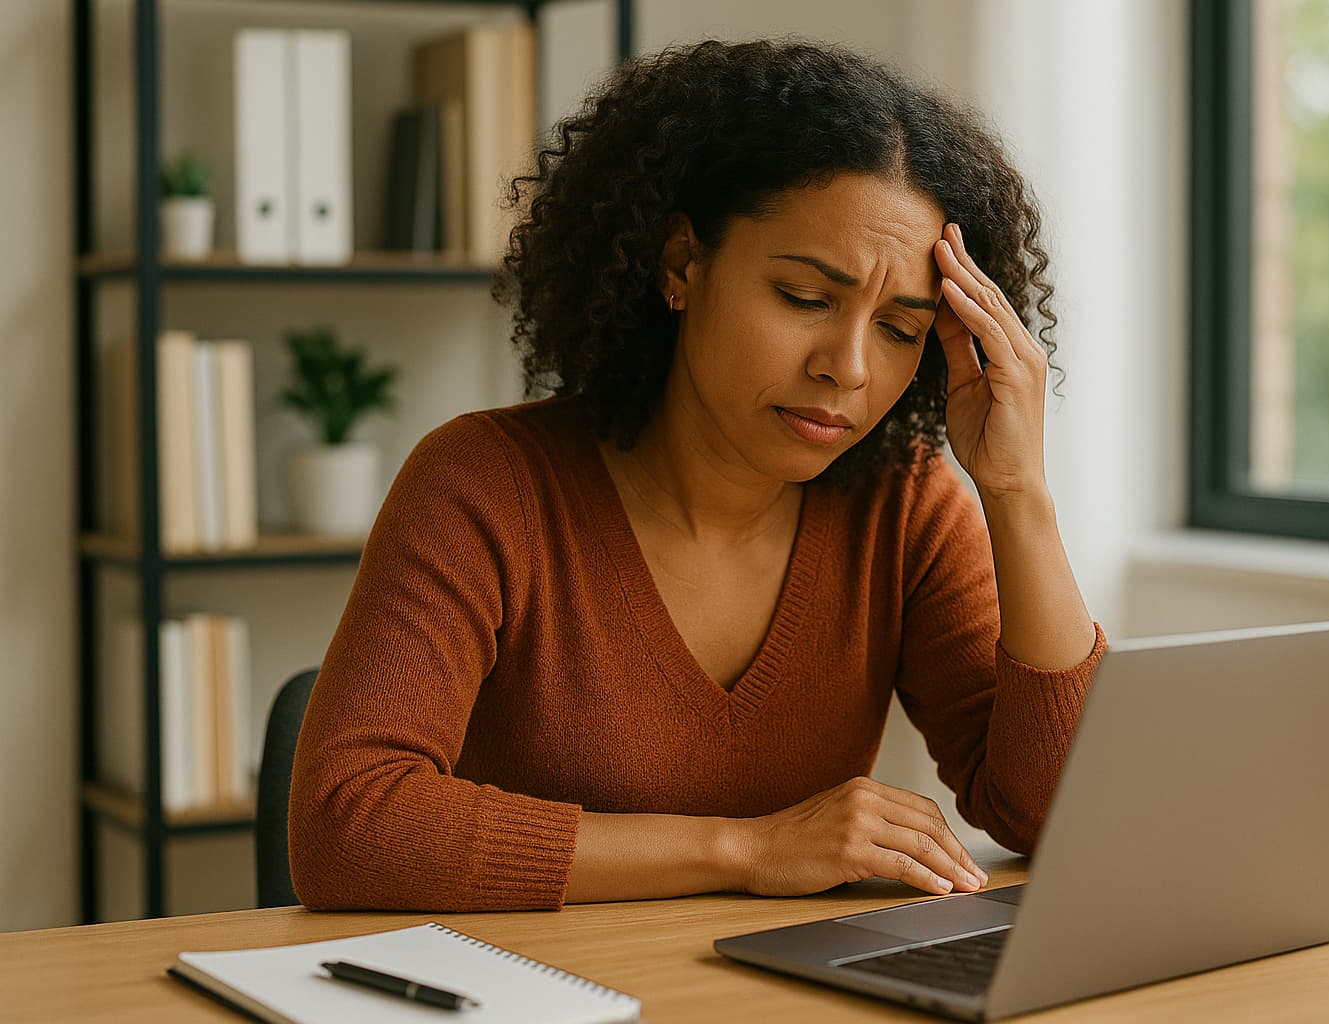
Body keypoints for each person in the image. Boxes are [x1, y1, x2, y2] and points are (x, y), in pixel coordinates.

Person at [288, 37, 1106, 914]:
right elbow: (349, 827)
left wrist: (1019, 496)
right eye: (805, 298)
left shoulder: (904, 508)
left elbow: (1056, 814)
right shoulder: (486, 486)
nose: (849, 366)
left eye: (902, 329)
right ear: (682, 265)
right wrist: (743, 847)